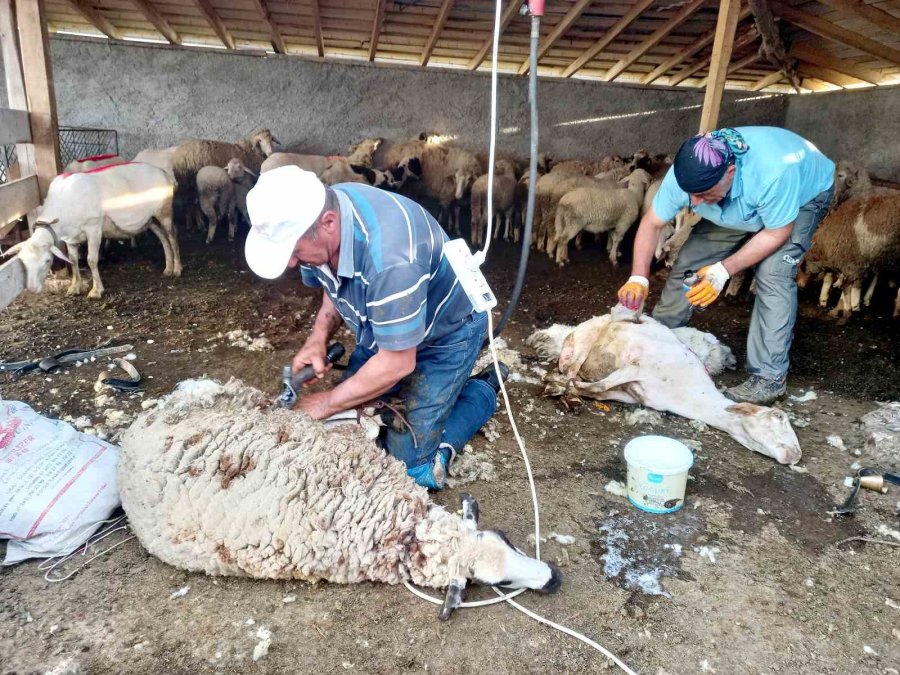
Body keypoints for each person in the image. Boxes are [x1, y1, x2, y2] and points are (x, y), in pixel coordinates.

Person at [243, 166, 507, 490]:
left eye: (294, 251)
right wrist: (317, 339)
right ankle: (434, 394)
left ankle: (481, 390)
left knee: (404, 470)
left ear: (327, 224)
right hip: (384, 323)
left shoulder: (393, 259)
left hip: (446, 333)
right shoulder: (323, 210)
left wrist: (326, 402)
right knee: (353, 424)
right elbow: (332, 284)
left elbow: (398, 362)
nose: (291, 264)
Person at [618, 127, 835, 404]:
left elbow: (776, 232)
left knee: (773, 274)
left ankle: (769, 378)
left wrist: (724, 269)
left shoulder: (774, 173)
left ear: (729, 173)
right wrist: (639, 277)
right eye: (690, 194)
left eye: (702, 193)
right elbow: (652, 223)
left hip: (801, 194)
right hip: (735, 204)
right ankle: (662, 334)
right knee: (693, 260)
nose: (693, 203)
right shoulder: (687, 178)